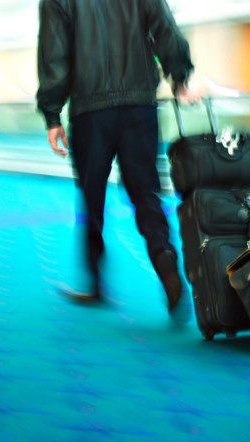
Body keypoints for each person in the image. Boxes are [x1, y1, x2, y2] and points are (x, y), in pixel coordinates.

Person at [36, 0, 199, 315]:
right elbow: (165, 25)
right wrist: (178, 78)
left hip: (89, 110)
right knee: (146, 192)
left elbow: (54, 52)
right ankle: (164, 257)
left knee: (92, 198)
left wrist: (52, 114)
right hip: (139, 105)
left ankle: (95, 283)